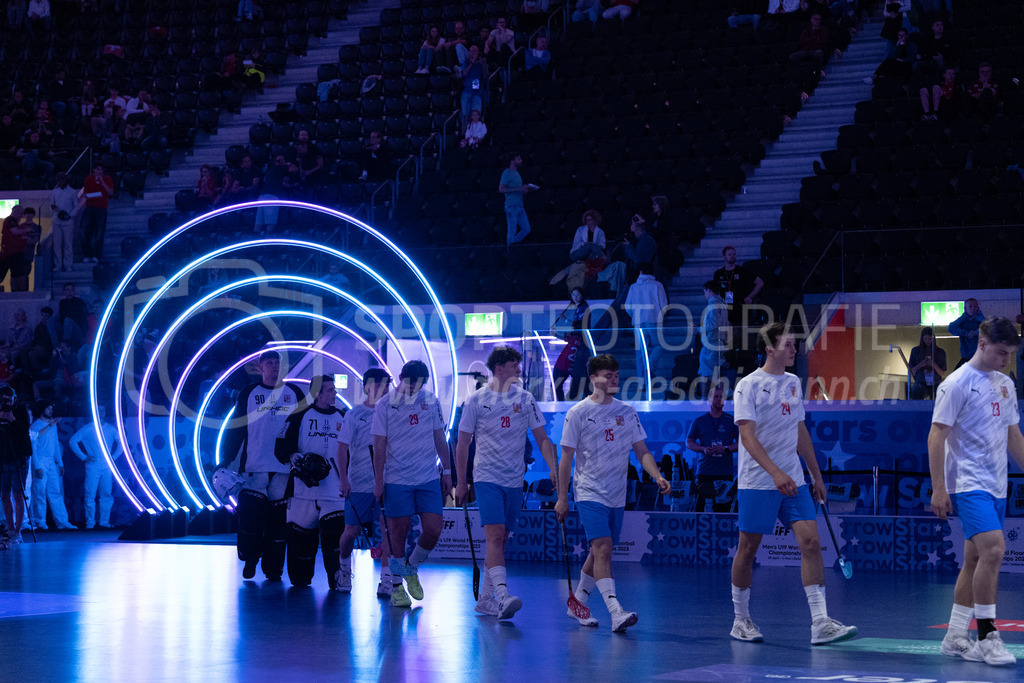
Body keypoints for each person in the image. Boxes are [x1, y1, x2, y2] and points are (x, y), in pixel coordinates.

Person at [729, 322, 857, 645]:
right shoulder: (748, 386)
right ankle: (741, 619)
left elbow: (800, 431)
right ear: (769, 348)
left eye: (794, 344)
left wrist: (816, 475)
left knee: (811, 543)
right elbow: (747, 436)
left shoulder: (793, 384)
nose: (794, 349)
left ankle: (820, 623)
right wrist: (774, 473)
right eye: (787, 344)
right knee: (748, 549)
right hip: (759, 481)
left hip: (794, 480)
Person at [930, 317, 1024, 667]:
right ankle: (987, 636)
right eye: (1002, 352)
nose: (1006, 360)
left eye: (1011, 354)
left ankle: (955, 637)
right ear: (981, 343)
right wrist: (939, 488)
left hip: (997, 484)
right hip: (968, 484)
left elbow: (1013, 435)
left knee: (974, 560)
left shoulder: (1005, 384)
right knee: (995, 550)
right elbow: (936, 436)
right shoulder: (955, 384)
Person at [555, 354, 670, 631]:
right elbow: (566, 459)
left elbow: (641, 451)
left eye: (616, 375)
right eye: (608, 375)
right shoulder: (578, 413)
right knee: (603, 548)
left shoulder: (627, 412)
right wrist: (562, 497)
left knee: (598, 553)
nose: (614, 379)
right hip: (589, 491)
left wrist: (656, 475)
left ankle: (578, 602)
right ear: (593, 378)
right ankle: (615, 611)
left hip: (617, 494)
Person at [455, 346, 557, 619]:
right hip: (486, 477)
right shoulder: (476, 400)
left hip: (514, 480)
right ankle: (502, 597)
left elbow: (542, 438)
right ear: (499, 368)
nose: (519, 371)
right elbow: (463, 443)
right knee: (495, 536)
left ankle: (485, 600)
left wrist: (553, 468)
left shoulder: (525, 399)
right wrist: (462, 482)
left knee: (500, 540)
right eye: (515, 366)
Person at [371, 360, 452, 608]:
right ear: (400, 378)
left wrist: (447, 471)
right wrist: (378, 481)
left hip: (427, 476)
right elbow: (379, 446)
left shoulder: (431, 400)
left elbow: (440, 436)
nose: (414, 387)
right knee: (398, 532)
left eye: (419, 383)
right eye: (410, 382)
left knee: (434, 529)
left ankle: (411, 568)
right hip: (397, 479)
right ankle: (396, 585)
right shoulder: (385, 405)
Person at [220, 350, 305, 580]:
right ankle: (250, 559)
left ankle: (273, 569)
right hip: (254, 468)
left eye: (277, 363)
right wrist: (226, 459)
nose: (274, 366)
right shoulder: (249, 393)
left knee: (278, 524)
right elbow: (235, 429)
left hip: (283, 470)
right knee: (251, 519)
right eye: (269, 362)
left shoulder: (294, 393)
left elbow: (302, 429)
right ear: (260, 367)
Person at [274, 375, 346, 589]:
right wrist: (294, 457)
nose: (334, 393)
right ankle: (301, 580)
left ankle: (338, 580)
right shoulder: (299, 416)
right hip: (302, 492)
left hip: (334, 492)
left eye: (334, 389)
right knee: (301, 541)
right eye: (330, 390)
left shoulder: (343, 417)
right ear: (317, 394)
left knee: (334, 540)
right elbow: (281, 446)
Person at [337, 368, 393, 598]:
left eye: (387, 384)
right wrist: (343, 478)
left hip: (387, 482)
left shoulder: (392, 413)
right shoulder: (354, 414)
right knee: (351, 531)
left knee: (388, 531)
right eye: (380, 384)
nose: (385, 388)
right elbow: (342, 448)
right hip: (359, 484)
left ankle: (387, 580)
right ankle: (343, 570)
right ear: (367, 386)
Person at [687, 385, 739, 512]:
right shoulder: (700, 421)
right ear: (709, 399)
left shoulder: (732, 421)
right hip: (705, 472)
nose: (719, 399)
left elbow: (741, 443)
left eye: (721, 397)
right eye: (716, 396)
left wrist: (726, 448)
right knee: (700, 511)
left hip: (724, 473)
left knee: (723, 513)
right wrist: (703, 449)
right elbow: (689, 441)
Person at [69, 406, 122, 529]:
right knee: (90, 494)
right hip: (92, 466)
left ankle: (104, 522)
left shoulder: (111, 429)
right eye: (99, 410)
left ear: (105, 412)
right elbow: (73, 441)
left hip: (107, 466)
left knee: (106, 494)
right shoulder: (88, 428)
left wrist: (113, 457)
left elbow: (121, 443)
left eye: (103, 410)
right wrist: (83, 456)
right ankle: (90, 523)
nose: (101, 412)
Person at [623, 263, 667, 395]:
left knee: (640, 352)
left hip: (638, 322)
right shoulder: (657, 285)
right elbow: (664, 305)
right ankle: (650, 368)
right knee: (659, 346)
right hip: (653, 320)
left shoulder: (633, 287)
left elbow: (627, 306)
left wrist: (634, 316)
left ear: (640, 271)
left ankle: (642, 382)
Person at [29, 401, 72, 529]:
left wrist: (60, 462)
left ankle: (62, 522)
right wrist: (37, 466)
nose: (50, 411)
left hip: (51, 462)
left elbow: (55, 445)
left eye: (51, 408)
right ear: (42, 409)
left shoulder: (53, 425)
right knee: (39, 492)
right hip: (40, 461)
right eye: (48, 408)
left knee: (56, 492)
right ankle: (40, 522)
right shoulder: (35, 426)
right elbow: (33, 449)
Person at [0, 387, 32, 544]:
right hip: (3, 457)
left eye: (9, 398)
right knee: (4, 495)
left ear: (14, 397)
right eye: (4, 398)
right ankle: (10, 528)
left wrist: (11, 419)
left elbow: (25, 433)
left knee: (18, 494)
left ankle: (18, 531)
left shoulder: (20, 410)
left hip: (19, 458)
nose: (7, 401)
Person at [552, 287, 590, 402]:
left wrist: (565, 320)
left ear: (582, 295)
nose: (575, 297)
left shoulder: (584, 308)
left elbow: (580, 326)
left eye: (577, 295)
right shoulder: (579, 308)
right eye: (573, 295)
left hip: (579, 345)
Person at [713, 246, 765, 330]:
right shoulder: (718, 274)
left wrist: (750, 296)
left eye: (734, 254)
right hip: (726, 306)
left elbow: (760, 282)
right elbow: (715, 291)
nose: (732, 256)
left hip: (741, 305)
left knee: (740, 330)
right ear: (724, 257)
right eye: (729, 254)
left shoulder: (743, 271)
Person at [698, 280, 729, 397]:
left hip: (711, 343)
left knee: (709, 374)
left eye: (705, 291)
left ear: (709, 290)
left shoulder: (712, 305)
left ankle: (708, 400)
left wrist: (698, 329)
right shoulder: (723, 304)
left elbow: (713, 324)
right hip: (718, 342)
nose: (704, 294)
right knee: (710, 373)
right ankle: (714, 398)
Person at [498, 152, 537, 246]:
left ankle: (513, 247)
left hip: (519, 205)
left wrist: (525, 189)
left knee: (526, 229)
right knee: (512, 230)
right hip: (511, 206)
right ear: (512, 161)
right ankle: (510, 252)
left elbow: (516, 189)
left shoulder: (516, 173)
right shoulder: (507, 173)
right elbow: (501, 189)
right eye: (518, 159)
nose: (521, 160)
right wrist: (519, 189)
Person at [80, 163, 113, 263]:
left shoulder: (107, 179)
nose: (99, 172)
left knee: (99, 233)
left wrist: (102, 182)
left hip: (101, 208)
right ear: (94, 170)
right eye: (97, 169)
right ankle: (87, 254)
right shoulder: (88, 179)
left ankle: (96, 255)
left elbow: (110, 192)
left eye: (101, 170)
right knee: (85, 232)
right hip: (90, 208)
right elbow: (86, 194)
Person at [49, 172, 79, 272]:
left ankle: (68, 265)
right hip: (56, 220)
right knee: (57, 244)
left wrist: (69, 215)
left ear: (66, 180)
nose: (60, 182)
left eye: (62, 179)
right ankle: (58, 265)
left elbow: (76, 206)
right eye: (58, 180)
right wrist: (54, 209)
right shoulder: (54, 191)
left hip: (68, 220)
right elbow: (51, 204)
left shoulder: (72, 192)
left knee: (68, 244)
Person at [909, 327, 947, 400]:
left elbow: (942, 373)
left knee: (941, 392)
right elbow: (911, 371)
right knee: (916, 390)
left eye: (929, 339)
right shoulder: (915, 351)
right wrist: (921, 364)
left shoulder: (940, 352)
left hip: (935, 382)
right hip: (921, 381)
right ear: (922, 339)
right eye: (925, 339)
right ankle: (918, 410)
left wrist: (933, 364)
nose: (927, 341)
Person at [948, 298, 984, 369]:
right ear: (965, 309)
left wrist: (976, 332)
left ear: (978, 308)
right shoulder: (963, 321)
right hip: (966, 357)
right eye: (970, 306)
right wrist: (965, 332)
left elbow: (990, 328)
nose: (973, 308)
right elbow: (951, 328)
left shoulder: (981, 320)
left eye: (975, 306)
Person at [459, 45, 489, 121]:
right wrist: (471, 63)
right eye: (472, 51)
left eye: (475, 51)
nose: (473, 53)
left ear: (478, 52)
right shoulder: (465, 62)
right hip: (467, 91)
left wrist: (483, 64)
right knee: (466, 114)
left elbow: (485, 77)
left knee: (476, 114)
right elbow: (464, 74)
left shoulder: (481, 63)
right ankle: (465, 130)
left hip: (478, 92)